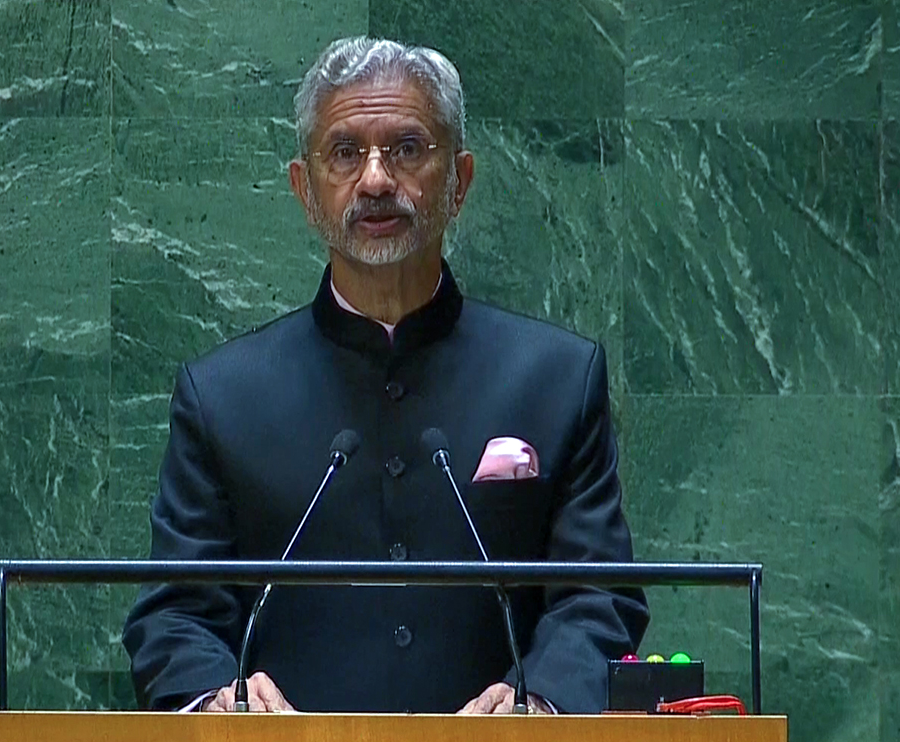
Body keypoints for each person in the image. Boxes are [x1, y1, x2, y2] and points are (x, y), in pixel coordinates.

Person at [122, 36, 648, 715]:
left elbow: (598, 597)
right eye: (345, 153)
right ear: (304, 190)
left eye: (406, 148)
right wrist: (215, 704)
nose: (374, 180)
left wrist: (540, 706)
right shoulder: (221, 394)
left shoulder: (556, 378)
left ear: (459, 182)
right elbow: (175, 614)